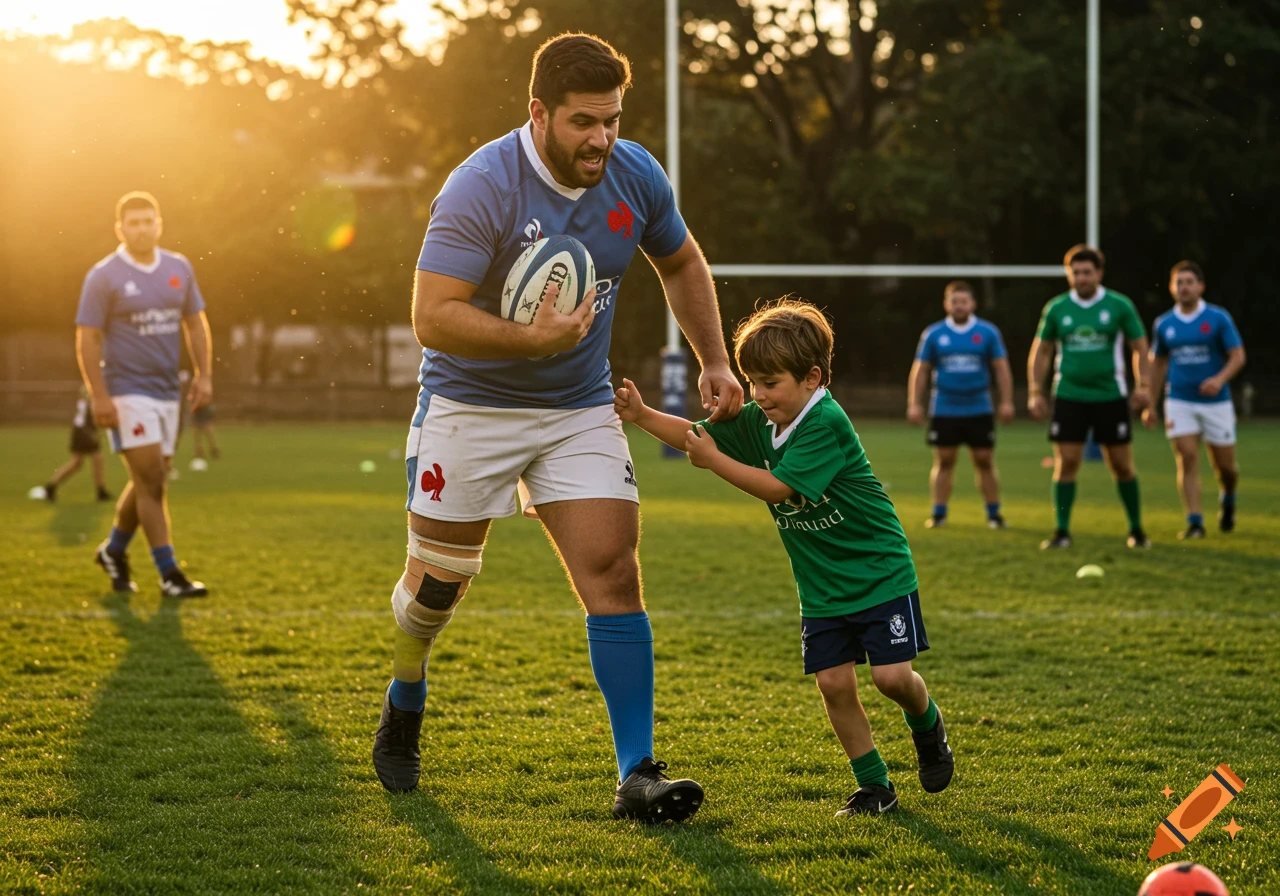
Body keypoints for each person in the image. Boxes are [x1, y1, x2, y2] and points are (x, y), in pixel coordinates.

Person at [372, 34, 744, 825]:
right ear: (537, 113)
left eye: (611, 120)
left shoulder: (634, 172)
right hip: (469, 408)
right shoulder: (482, 185)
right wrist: (532, 340)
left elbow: (680, 261)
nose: (601, 140)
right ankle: (407, 690)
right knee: (435, 589)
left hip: (578, 407)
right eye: (583, 122)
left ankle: (636, 772)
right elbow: (431, 317)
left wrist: (714, 359)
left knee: (613, 572)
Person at [616, 299, 954, 816]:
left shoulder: (824, 421)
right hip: (820, 585)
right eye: (751, 381)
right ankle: (875, 787)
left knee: (891, 680)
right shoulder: (763, 420)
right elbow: (695, 436)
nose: (757, 394)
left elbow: (776, 489)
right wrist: (640, 415)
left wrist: (714, 462)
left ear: (811, 378)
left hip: (879, 572)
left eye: (769, 383)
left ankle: (927, 724)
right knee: (834, 683)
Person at [75, 191, 212, 598]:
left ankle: (114, 550)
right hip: (125, 390)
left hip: (169, 391)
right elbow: (87, 338)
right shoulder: (104, 275)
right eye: (133, 223)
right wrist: (98, 395)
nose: (141, 228)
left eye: (148, 221)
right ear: (121, 229)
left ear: (159, 223)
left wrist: (205, 375)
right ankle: (170, 574)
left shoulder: (178, 267)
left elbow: (196, 324)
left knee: (149, 478)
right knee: (152, 479)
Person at [1027, 245, 1152, 549]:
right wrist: (1035, 390)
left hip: (1111, 395)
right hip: (1069, 395)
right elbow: (1041, 351)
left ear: (1099, 274)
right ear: (1069, 275)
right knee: (1067, 462)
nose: (1081, 278)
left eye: (1087, 272)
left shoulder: (1119, 305)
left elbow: (1139, 346)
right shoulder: (1057, 308)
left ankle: (1136, 530)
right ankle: (1061, 531)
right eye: (1076, 272)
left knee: (1121, 465)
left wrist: (1144, 385)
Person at [1143, 261, 1245, 538]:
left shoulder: (1217, 318)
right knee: (1186, 457)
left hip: (1216, 403)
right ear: (1171, 288)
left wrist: (1218, 380)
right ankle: (1195, 522)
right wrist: (1150, 404)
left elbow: (1237, 356)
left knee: (1225, 467)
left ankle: (1228, 496)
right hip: (1179, 400)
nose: (1184, 287)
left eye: (1189, 282)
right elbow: (1158, 364)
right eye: (1179, 282)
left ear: (1200, 286)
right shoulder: (1164, 324)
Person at [907, 281, 1015, 529]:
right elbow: (920, 371)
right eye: (954, 301)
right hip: (945, 407)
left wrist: (1007, 402)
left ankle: (994, 514)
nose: (959, 306)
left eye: (964, 301)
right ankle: (939, 514)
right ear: (946, 304)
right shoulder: (933, 334)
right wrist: (914, 403)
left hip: (979, 406)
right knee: (944, 460)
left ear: (972, 304)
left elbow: (1001, 369)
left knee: (984, 459)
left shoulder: (988, 332)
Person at [37, 388, 113, 503]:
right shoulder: (91, 399)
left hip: (79, 431)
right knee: (96, 459)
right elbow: (90, 418)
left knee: (78, 462)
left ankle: (51, 487)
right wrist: (93, 433)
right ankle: (101, 491)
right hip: (84, 431)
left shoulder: (84, 400)